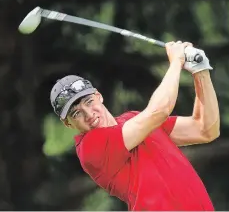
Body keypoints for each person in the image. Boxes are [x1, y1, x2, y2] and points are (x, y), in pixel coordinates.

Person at [50, 41, 220, 211]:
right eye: (76, 113)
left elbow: (205, 129)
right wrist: (176, 61)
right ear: (67, 123)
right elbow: (158, 112)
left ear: (99, 96)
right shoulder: (90, 148)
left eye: (89, 102)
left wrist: (200, 70)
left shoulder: (134, 119)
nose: (88, 114)